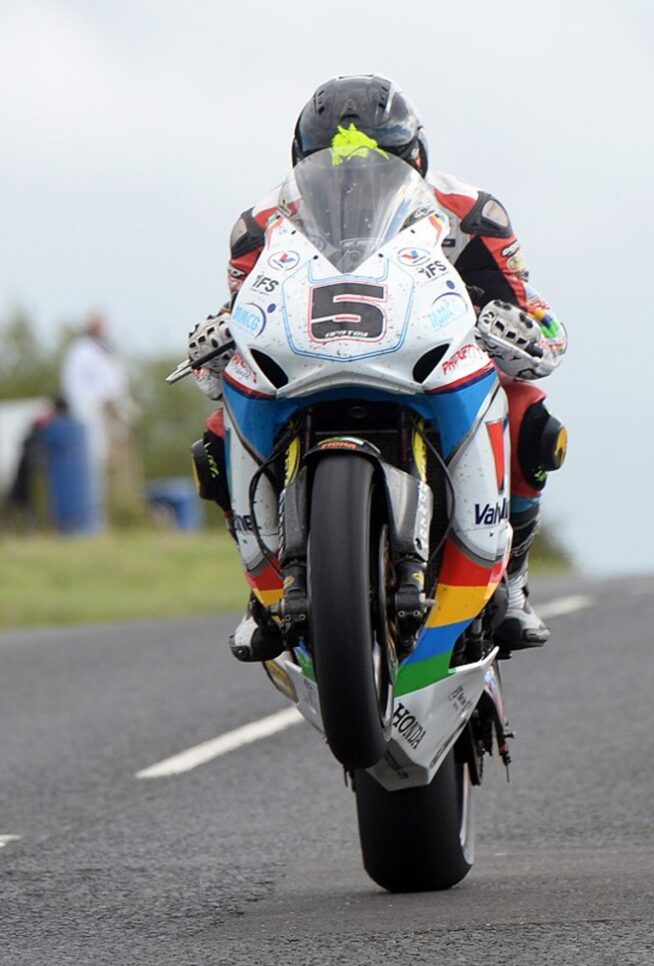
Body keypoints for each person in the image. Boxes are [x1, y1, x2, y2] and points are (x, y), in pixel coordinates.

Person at [187, 75, 567, 660]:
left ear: (413, 159)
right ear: (303, 165)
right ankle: (264, 585)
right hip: (313, 362)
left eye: (374, 165)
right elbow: (244, 312)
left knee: (531, 416)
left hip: (429, 356)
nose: (354, 181)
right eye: (336, 167)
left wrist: (519, 330)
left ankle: (512, 582)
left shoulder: (474, 215)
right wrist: (216, 336)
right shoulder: (258, 227)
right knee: (214, 441)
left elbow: (536, 314)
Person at [60, 314, 132, 529]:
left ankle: (122, 511)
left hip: (112, 411)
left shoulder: (105, 350)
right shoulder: (81, 352)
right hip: (92, 413)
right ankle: (95, 518)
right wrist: (92, 405)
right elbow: (75, 386)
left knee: (119, 464)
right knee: (95, 462)